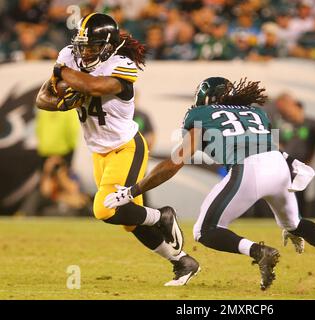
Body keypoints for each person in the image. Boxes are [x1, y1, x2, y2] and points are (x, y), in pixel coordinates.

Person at [104, 77, 315, 291]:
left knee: (205, 231)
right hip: (278, 166)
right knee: (295, 224)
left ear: (206, 98)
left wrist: (134, 190)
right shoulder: (256, 113)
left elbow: (177, 161)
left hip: (249, 169)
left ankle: (259, 252)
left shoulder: (200, 115)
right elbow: (272, 148)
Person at [35, 13, 200, 286]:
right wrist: (62, 103)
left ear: (109, 46)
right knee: (128, 221)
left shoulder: (122, 64)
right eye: (82, 45)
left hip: (126, 148)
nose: (85, 52)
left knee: (105, 210)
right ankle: (182, 261)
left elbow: (94, 86)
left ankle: (162, 215)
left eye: (93, 46)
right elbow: (43, 98)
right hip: (99, 151)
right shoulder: (70, 56)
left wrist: (61, 74)